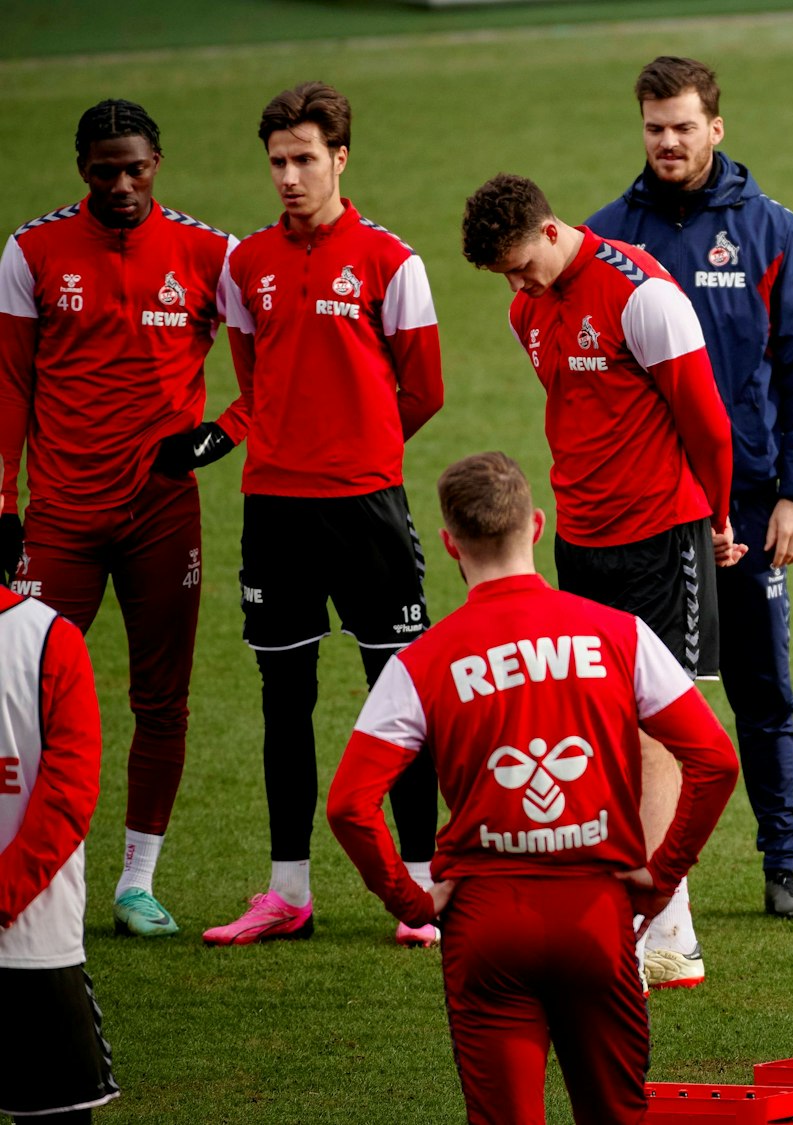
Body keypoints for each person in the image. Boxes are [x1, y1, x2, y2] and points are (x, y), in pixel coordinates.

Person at [328, 451, 739, 1125]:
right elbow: (716, 760)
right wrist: (661, 876)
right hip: (596, 914)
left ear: (450, 543)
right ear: (539, 526)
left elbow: (349, 803)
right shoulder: (621, 635)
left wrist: (410, 898)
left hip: (486, 923)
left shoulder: (420, 661)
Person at [461, 172, 737, 989]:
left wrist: (718, 517)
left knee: (659, 733)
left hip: (663, 539)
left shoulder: (644, 297)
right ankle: (643, 922)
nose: (516, 288)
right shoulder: (526, 309)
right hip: (580, 543)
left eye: (521, 266)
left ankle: (667, 934)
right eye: (504, 277)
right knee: (603, 731)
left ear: (551, 232)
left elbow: (708, 422)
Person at [585, 56, 793, 922]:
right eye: (655, 126)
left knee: (763, 687)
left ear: (716, 128)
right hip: (641, 508)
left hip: (752, 499)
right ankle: (636, 865)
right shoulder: (607, 236)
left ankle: (784, 864)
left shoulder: (771, 230)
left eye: (683, 126)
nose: (668, 141)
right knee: (635, 695)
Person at [195, 82, 446, 947]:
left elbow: (425, 388)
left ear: (341, 157)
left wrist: (361, 448)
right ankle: (288, 892)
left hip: (368, 509)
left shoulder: (390, 260)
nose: (291, 176)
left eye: (306, 159)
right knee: (282, 698)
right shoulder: (245, 265)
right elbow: (254, 379)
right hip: (274, 510)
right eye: (278, 162)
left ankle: (421, 887)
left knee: (402, 693)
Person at [0, 99, 232, 939]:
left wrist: (222, 436)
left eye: (136, 168)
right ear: (81, 169)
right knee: (19, 694)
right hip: (57, 515)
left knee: (161, 700)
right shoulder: (31, 251)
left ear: (158, 162)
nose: (123, 185)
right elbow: (11, 385)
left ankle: (137, 883)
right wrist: (3, 501)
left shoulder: (211, 253)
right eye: (106, 171)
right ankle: (23, 864)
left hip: (162, 516)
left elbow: (276, 361)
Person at [0, 587, 114, 1123]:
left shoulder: (52, 637)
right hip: (31, 945)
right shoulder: (50, 638)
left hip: (35, 952)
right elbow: (67, 796)